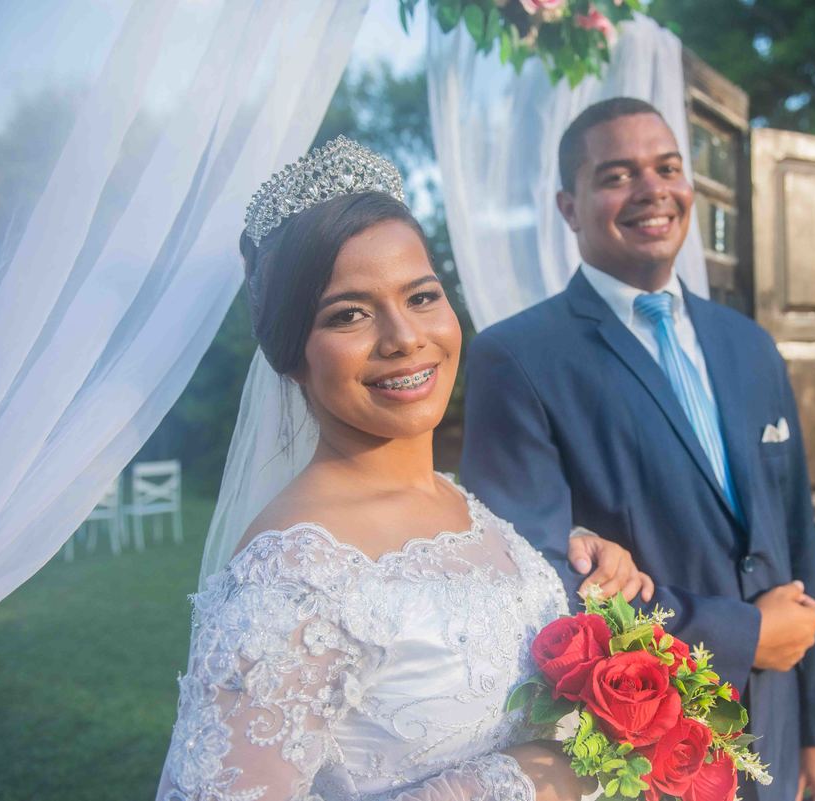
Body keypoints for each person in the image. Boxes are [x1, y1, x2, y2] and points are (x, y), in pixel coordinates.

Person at [156, 138, 650, 801]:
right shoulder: (291, 577)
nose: (404, 337)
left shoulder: (460, 503)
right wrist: (521, 781)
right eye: (349, 313)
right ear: (290, 353)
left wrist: (586, 582)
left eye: (420, 296)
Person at [460, 98, 815, 801]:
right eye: (617, 174)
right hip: (643, 750)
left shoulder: (750, 346)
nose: (652, 190)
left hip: (782, 726)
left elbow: (797, 544)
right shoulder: (516, 359)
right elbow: (533, 578)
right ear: (569, 206)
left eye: (668, 168)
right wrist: (743, 636)